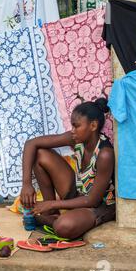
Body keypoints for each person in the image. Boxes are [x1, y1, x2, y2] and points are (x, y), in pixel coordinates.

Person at [20, 98, 115, 239]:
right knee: (40, 154)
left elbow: (92, 201)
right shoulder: (76, 139)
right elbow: (31, 144)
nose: (73, 130)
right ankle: (51, 216)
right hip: (79, 193)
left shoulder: (104, 154)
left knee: (63, 227)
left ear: (93, 126)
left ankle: (52, 219)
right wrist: (26, 184)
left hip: (98, 206)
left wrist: (51, 204)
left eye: (77, 126)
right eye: (72, 126)